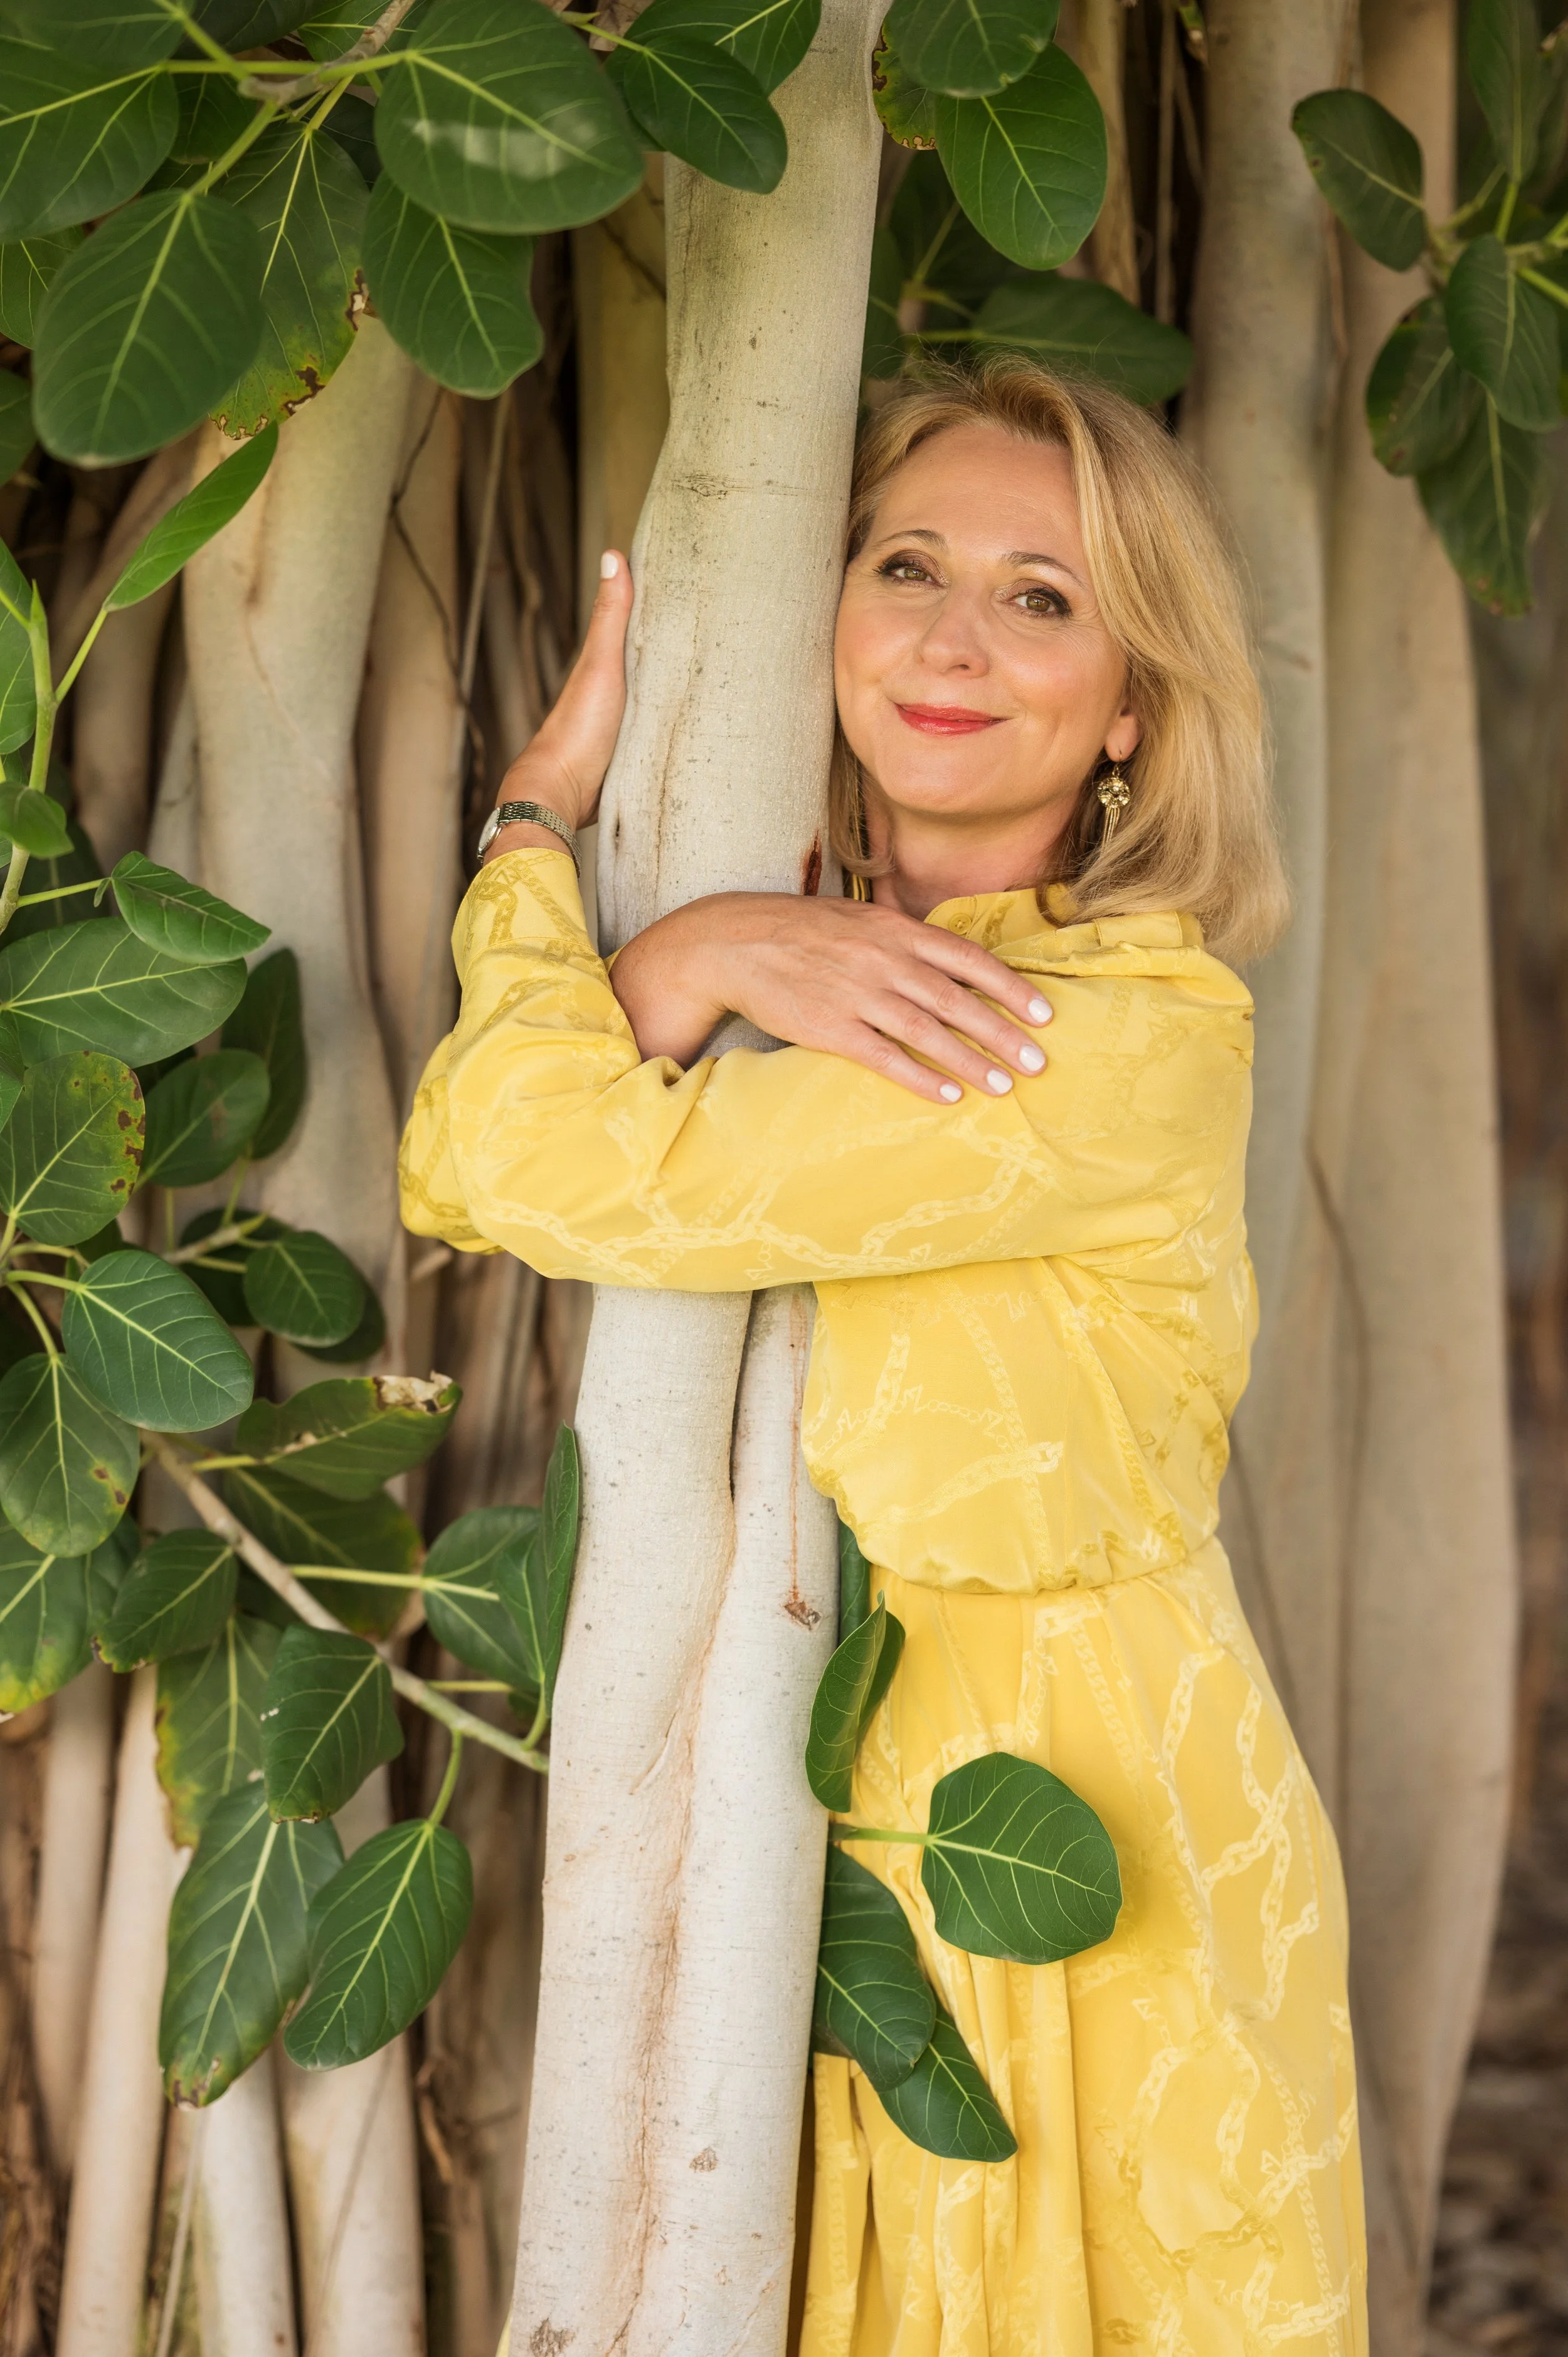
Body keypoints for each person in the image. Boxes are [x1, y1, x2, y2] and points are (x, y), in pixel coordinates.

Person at [400, 358, 1368, 2354]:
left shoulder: (1105, 1035)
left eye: (1042, 596)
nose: (950, 633)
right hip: (821, 1779)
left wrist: (570, 879)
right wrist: (718, 943)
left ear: (1132, 710)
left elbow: (503, 1160)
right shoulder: (820, 956)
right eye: (906, 562)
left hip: (1090, 1809)